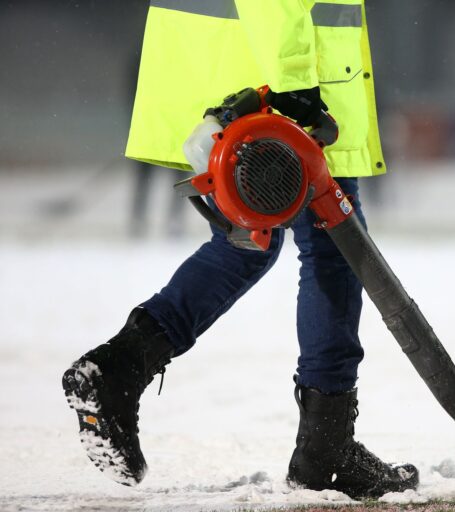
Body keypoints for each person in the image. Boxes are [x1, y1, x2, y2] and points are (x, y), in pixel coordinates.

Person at [62, 0, 419, 499]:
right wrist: (295, 82)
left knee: (247, 243)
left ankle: (117, 369)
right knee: (333, 250)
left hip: (238, 77)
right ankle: (326, 449)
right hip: (280, 90)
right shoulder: (290, 86)